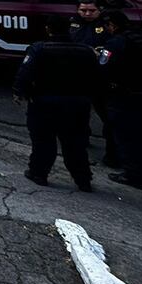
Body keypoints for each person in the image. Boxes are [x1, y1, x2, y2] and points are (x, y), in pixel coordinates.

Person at [13, 15, 99, 192]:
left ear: (48, 29)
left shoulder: (39, 49)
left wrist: (19, 92)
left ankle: (39, 173)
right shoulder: (86, 51)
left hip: (45, 102)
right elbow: (96, 77)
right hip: (77, 104)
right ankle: (83, 179)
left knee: (43, 141)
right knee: (75, 143)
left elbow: (25, 73)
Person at [98, 11, 142, 191]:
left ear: (112, 26)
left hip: (127, 96)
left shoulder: (116, 42)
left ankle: (135, 176)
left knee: (128, 137)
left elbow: (103, 69)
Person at [69, 0, 118, 168]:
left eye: (91, 10)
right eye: (83, 10)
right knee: (78, 112)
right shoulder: (72, 23)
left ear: (99, 10)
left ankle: (113, 154)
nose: (87, 13)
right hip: (77, 75)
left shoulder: (106, 24)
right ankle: (82, 139)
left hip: (100, 76)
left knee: (105, 113)